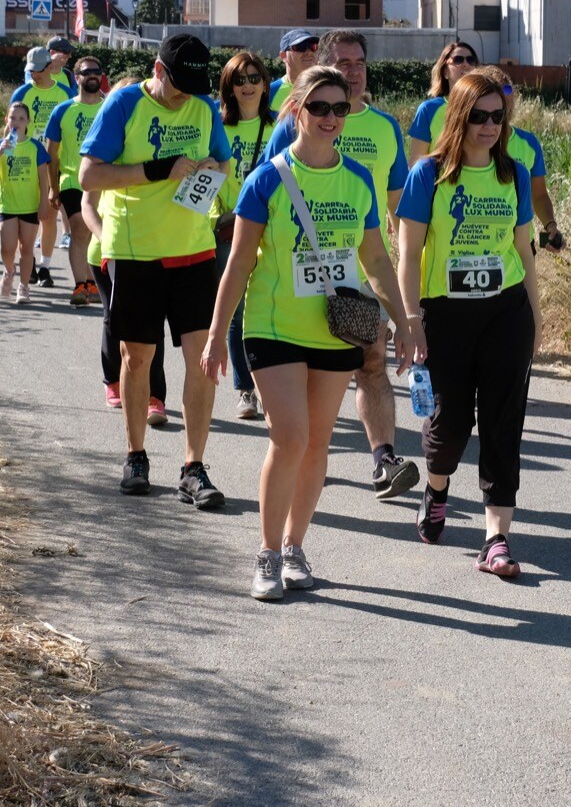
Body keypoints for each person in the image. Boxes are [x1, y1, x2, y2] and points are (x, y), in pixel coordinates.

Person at [204, 66, 416, 600]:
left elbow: (374, 256)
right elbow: (239, 263)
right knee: (290, 436)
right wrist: (213, 335)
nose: (330, 118)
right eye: (319, 107)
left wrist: (404, 319)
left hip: (333, 328)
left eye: (339, 109)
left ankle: (296, 545)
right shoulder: (267, 179)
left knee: (317, 442)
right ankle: (268, 553)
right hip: (272, 325)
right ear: (296, 110)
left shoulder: (357, 179)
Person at [262, 30, 419, 500]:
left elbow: (396, 205)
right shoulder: (293, 121)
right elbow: (267, 192)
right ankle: (302, 451)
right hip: (297, 275)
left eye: (359, 63)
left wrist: (401, 274)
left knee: (372, 361)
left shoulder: (386, 126)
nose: (353, 70)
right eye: (343, 62)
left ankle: (383, 459)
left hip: (360, 273)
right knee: (306, 381)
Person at [78, 33, 232, 503]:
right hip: (135, 249)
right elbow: (89, 175)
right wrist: (156, 170)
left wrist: (210, 171)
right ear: (157, 70)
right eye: (179, 84)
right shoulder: (125, 104)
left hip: (192, 249)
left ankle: (194, 467)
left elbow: (225, 162)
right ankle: (136, 455)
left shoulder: (203, 108)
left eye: (195, 86)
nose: (187, 95)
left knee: (201, 363)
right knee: (136, 357)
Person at [397, 73, 540, 575]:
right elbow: (408, 253)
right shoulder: (428, 174)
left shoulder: (514, 173)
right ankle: (437, 491)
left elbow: (523, 250)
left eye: (497, 117)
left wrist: (535, 315)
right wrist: (410, 319)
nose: (489, 126)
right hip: (445, 314)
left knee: (504, 424)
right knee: (452, 422)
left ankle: (496, 538)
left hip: (505, 312)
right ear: (458, 116)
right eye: (478, 115)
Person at [408, 57, 563, 252]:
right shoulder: (444, 156)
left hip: (516, 245)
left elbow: (539, 193)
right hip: (460, 246)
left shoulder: (528, 143)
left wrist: (550, 225)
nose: (503, 96)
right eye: (494, 89)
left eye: (507, 89)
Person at [214, 51, 276, 421]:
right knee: (237, 310)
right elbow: (207, 179)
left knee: (267, 305)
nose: (248, 85)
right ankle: (246, 389)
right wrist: (214, 217)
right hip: (229, 228)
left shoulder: (277, 128)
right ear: (229, 87)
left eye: (255, 78)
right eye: (240, 79)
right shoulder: (217, 128)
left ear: (265, 84)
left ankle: (272, 383)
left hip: (273, 229)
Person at [82, 186, 169, 422]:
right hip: (106, 253)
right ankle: (113, 381)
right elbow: (87, 205)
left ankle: (155, 397)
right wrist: (107, 241)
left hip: (150, 249)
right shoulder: (103, 157)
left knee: (152, 322)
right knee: (114, 318)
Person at [12, 46, 77, 291]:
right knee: (27, 218)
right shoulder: (22, 92)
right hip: (26, 163)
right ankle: (26, 263)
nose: (34, 74)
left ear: (49, 67)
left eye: (38, 70)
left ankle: (45, 266)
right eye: (31, 70)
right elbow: (10, 128)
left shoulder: (64, 94)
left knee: (49, 215)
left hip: (53, 163)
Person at [46, 55, 106, 307]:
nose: (92, 75)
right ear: (76, 77)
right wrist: (52, 187)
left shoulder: (109, 106)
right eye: (86, 72)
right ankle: (82, 284)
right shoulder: (63, 110)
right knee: (80, 227)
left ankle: (93, 283)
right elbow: (51, 152)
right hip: (73, 180)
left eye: (97, 71)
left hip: (105, 181)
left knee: (97, 233)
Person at [0, 102, 51, 305]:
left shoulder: (35, 147)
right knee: (7, 248)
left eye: (21, 118)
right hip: (8, 204)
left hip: (30, 205)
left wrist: (44, 202)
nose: (16, 122)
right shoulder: (0, 145)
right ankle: (8, 270)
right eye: (13, 118)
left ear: (28, 122)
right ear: (6, 120)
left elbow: (43, 176)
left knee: (27, 248)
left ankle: (24, 286)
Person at [405, 41, 480, 164]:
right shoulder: (428, 110)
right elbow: (415, 163)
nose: (465, 64)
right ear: (445, 72)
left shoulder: (486, 108)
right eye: (458, 59)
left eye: (471, 60)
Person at [269, 29, 318, 113]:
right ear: (283, 56)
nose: (309, 52)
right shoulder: (269, 93)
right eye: (300, 47)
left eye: (313, 47)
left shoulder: (327, 89)